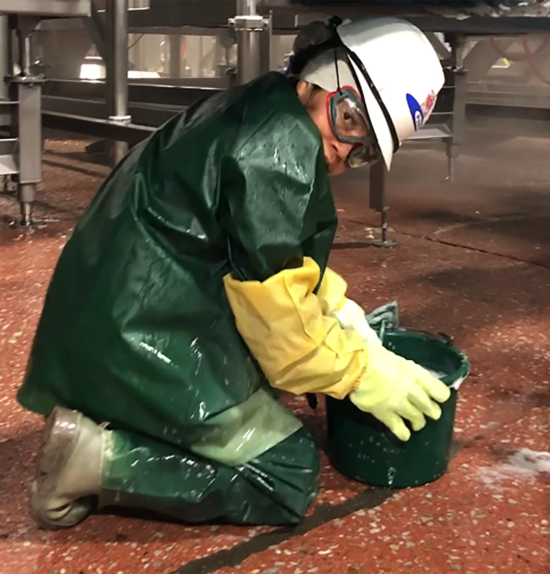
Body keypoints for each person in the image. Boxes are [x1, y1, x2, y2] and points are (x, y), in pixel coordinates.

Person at [17, 16, 450, 529]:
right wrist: (360, 372)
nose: (346, 150)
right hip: (142, 333)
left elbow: (272, 254)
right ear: (316, 75)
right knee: (287, 471)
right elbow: (283, 330)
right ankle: (98, 458)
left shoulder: (264, 106)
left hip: (115, 309)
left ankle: (124, 419)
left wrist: (337, 308)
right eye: (350, 119)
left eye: (366, 150)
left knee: (264, 388)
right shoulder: (278, 152)